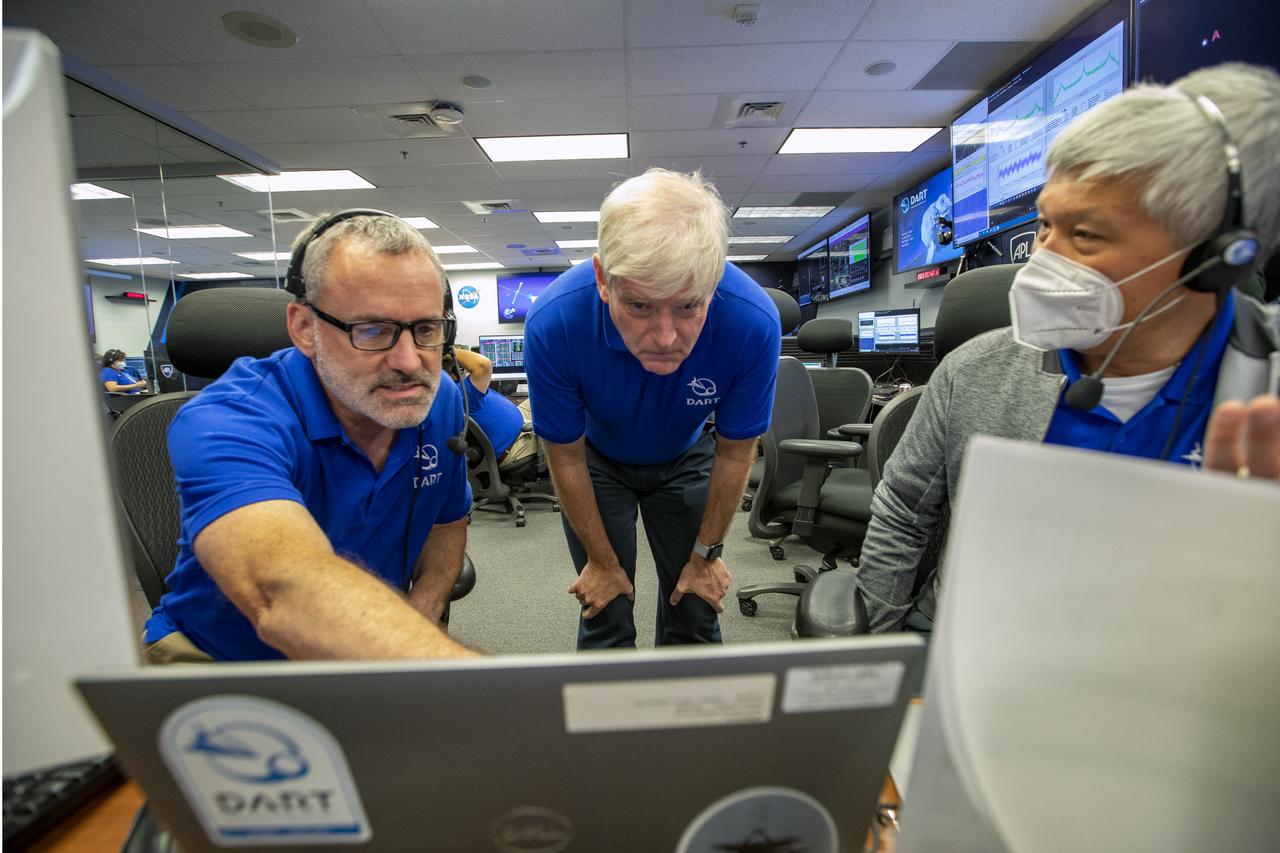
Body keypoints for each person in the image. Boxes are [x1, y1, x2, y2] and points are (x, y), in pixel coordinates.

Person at [856, 63, 1280, 634]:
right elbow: (904, 515)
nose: (1041, 260)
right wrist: (890, 661)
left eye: (1085, 235)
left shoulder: (1264, 382)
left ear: (1212, 259)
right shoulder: (976, 371)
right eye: (1046, 226)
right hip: (981, 656)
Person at [142, 212, 479, 662]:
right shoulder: (229, 418)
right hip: (221, 662)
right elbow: (287, 594)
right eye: (372, 330)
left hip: (369, 648)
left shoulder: (439, 402)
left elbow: (446, 522)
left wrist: (426, 607)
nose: (408, 361)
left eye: (426, 329)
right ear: (304, 328)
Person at [525, 168, 780, 649]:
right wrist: (601, 564)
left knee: (696, 605)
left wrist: (707, 555)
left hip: (687, 456)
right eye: (640, 306)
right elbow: (566, 455)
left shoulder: (751, 321)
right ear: (603, 279)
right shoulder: (555, 322)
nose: (666, 337)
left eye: (688, 307)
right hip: (597, 461)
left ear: (714, 279)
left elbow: (734, 451)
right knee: (606, 607)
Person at [447, 346, 537, 468]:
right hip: (518, 442)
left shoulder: (459, 387)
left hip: (521, 418)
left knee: (549, 395)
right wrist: (445, 348)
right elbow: (483, 365)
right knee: (563, 418)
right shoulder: (459, 393)